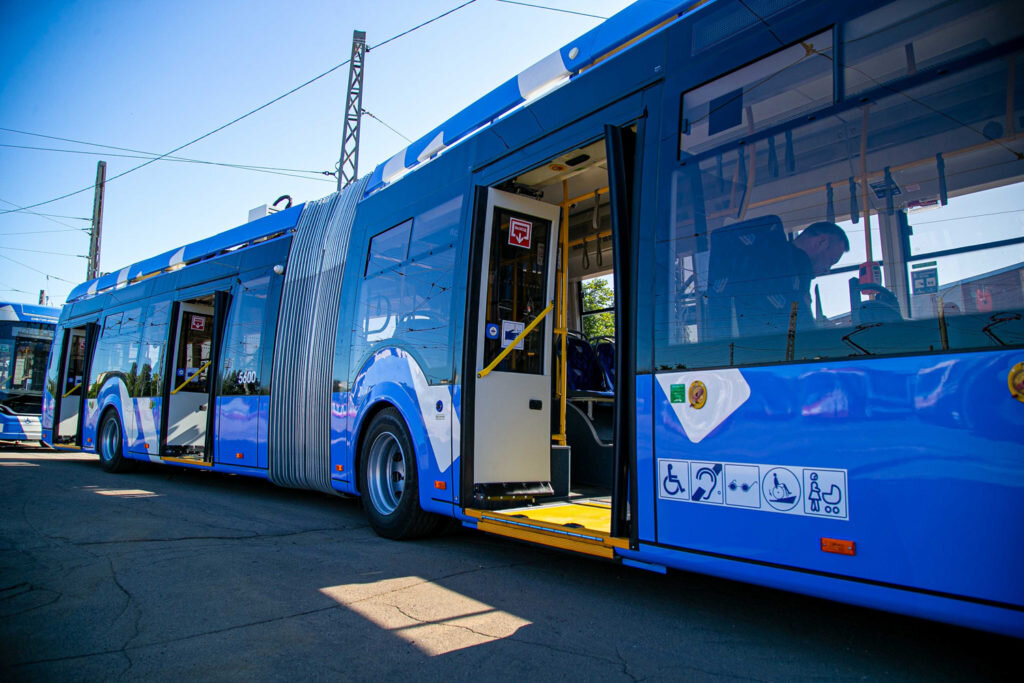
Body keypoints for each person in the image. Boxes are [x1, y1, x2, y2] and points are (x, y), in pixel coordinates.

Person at [707, 218, 849, 338]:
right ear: (821, 242)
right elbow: (802, 335)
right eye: (831, 260)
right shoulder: (795, 268)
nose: (827, 270)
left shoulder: (763, 262)